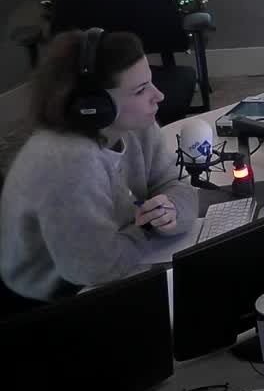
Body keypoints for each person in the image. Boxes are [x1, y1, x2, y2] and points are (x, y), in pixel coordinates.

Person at [0, 28, 197, 301]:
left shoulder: (136, 125)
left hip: (111, 258)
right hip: (55, 297)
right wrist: (149, 227)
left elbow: (173, 183)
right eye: (140, 90)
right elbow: (97, 268)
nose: (159, 95)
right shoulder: (67, 162)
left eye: (150, 81)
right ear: (94, 105)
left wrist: (172, 209)